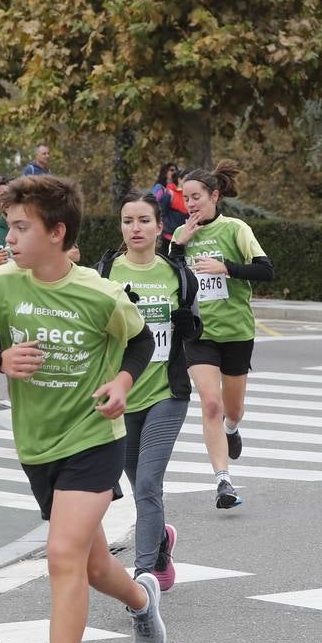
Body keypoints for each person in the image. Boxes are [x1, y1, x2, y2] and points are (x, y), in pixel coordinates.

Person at [0, 174, 166, 643]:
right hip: (37, 445)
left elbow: (141, 341)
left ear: (57, 232)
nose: (11, 236)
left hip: (94, 439)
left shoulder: (99, 293)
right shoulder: (0, 285)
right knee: (92, 566)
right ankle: (142, 597)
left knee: (62, 556)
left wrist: (122, 382)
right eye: (10, 224)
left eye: (23, 226)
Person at [96, 191, 202, 591]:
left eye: (143, 220)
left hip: (165, 393)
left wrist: (188, 323)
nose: (135, 228)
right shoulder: (104, 274)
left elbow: (195, 326)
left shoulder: (176, 274)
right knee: (139, 480)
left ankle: (143, 576)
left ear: (160, 227)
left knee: (146, 485)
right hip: (120, 398)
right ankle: (161, 543)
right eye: (127, 221)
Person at [169, 160, 274, 510]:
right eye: (186, 198)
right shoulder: (182, 234)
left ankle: (232, 428)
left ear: (215, 195)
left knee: (233, 409)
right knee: (209, 403)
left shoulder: (235, 229)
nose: (191, 204)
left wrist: (225, 268)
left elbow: (265, 270)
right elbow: (169, 279)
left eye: (197, 196)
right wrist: (177, 247)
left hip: (236, 332)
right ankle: (223, 481)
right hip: (198, 334)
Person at [149, 163, 188, 244]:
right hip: (167, 234)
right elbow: (154, 206)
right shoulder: (160, 188)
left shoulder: (184, 193)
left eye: (175, 170)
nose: (174, 172)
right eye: (171, 170)